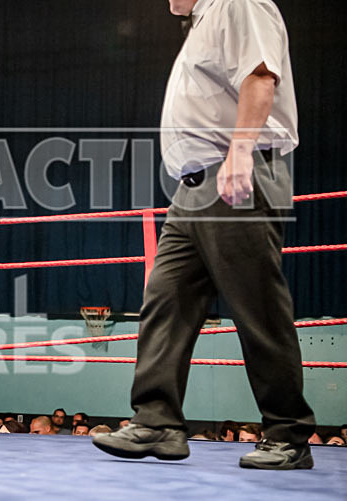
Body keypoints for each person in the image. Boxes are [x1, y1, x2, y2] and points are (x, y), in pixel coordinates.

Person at [93, 0, 315, 470]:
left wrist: (239, 151)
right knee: (165, 301)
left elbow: (260, 76)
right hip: (191, 190)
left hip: (235, 173)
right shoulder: (201, 22)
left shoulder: (240, 2)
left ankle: (288, 434)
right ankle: (158, 423)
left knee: (257, 307)